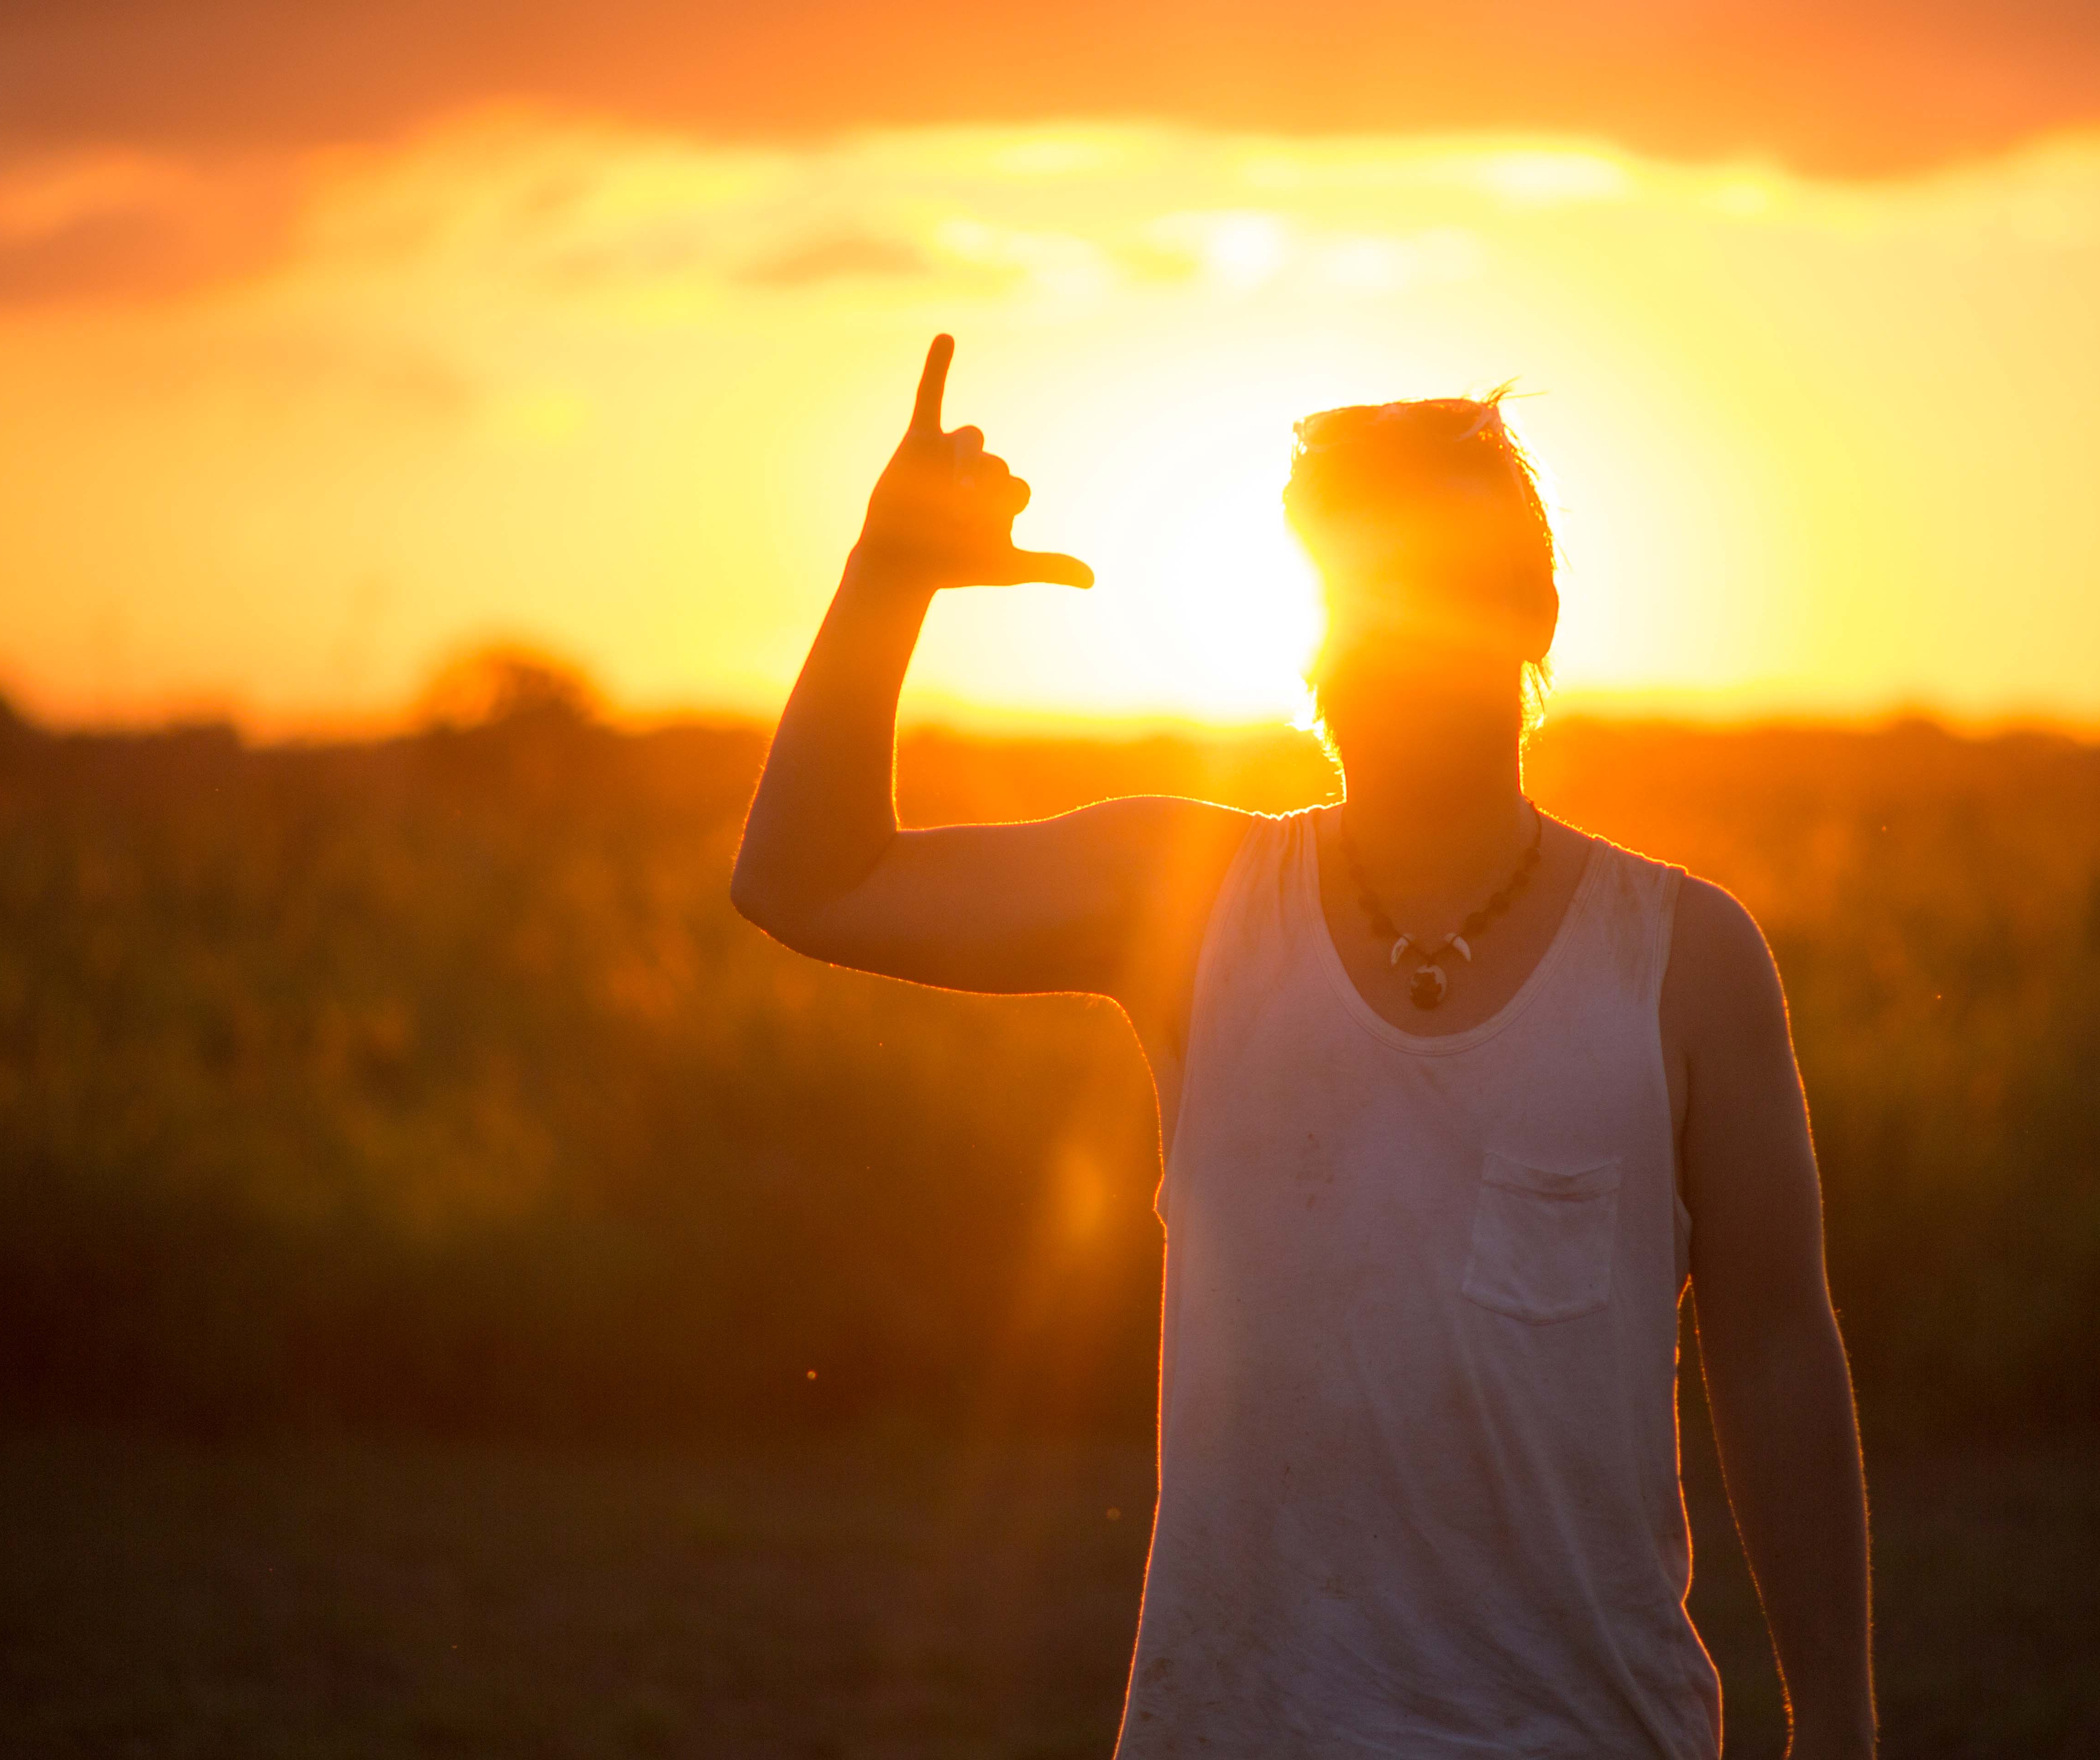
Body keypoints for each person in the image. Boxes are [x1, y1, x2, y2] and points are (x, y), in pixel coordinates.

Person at [733, 335, 1875, 1759]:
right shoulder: (1187, 900)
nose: (1396, 638)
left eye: (1442, 588)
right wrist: (888, 574)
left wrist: (1837, 1716)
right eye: (1358, 594)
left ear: (1533, 614)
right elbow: (807, 882)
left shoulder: (1685, 960)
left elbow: (1776, 1347)